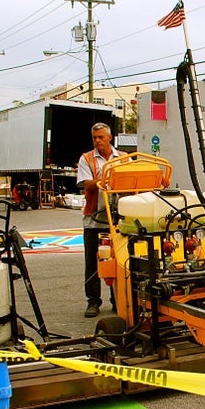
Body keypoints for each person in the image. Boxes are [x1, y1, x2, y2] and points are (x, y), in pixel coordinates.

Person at [76, 123, 124, 318]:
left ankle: (118, 300)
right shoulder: (86, 158)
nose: (97, 141)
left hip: (117, 221)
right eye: (95, 137)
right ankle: (93, 301)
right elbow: (84, 183)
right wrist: (105, 181)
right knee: (92, 264)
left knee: (119, 262)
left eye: (101, 137)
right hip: (94, 221)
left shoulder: (122, 158)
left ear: (110, 138)